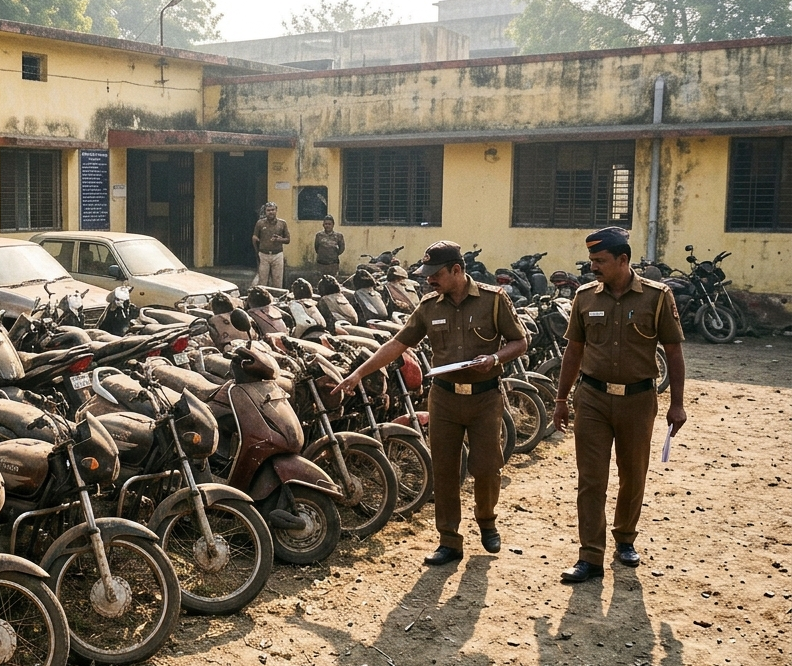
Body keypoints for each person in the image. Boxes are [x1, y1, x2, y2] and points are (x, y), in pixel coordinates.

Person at [334, 241, 528, 566]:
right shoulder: (428, 307)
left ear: (456, 270)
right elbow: (398, 343)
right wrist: (359, 373)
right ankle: (449, 540)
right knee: (445, 470)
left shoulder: (494, 302)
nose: (429, 280)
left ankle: (486, 519)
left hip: (485, 398)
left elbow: (520, 342)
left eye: (435, 274)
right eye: (426, 275)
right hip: (445, 399)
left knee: (486, 467)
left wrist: (495, 357)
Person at [552, 227, 687, 584]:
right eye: (592, 260)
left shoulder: (657, 297)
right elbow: (574, 351)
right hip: (593, 398)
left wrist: (677, 403)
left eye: (600, 261)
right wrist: (562, 398)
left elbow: (673, 351)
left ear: (623, 260)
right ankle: (590, 556)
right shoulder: (584, 298)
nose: (592, 267)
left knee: (633, 474)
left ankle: (625, 538)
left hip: (638, 400)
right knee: (591, 479)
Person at [252, 202, 289, 288]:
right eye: (268, 210)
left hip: (277, 255)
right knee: (262, 282)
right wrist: (257, 252)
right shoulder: (260, 223)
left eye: (273, 210)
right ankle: (263, 300)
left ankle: (278, 300)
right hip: (263, 255)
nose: (271, 212)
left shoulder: (282, 223)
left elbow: (288, 240)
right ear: (265, 212)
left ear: (276, 210)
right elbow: (254, 237)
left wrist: (279, 239)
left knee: (277, 282)